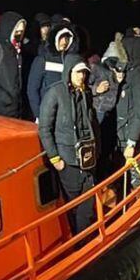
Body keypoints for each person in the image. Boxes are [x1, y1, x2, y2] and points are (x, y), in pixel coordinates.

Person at [39, 58, 101, 234]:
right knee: (73, 205)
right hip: (67, 159)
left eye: (84, 72)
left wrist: (98, 149)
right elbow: (44, 127)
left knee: (87, 203)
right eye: (78, 72)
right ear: (69, 72)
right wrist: (54, 157)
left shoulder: (86, 93)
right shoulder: (55, 92)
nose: (81, 76)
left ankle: (85, 242)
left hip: (88, 157)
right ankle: (78, 241)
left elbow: (92, 122)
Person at [117, 32, 140, 187]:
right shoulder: (129, 71)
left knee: (136, 176)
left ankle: (139, 201)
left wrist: (131, 142)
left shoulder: (138, 75)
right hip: (123, 133)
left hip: (130, 137)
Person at [27, 17, 77, 118]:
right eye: (62, 37)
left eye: (67, 38)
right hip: (46, 113)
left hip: (65, 114)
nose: (64, 41)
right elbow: (32, 90)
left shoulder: (71, 61)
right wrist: (39, 115)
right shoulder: (42, 60)